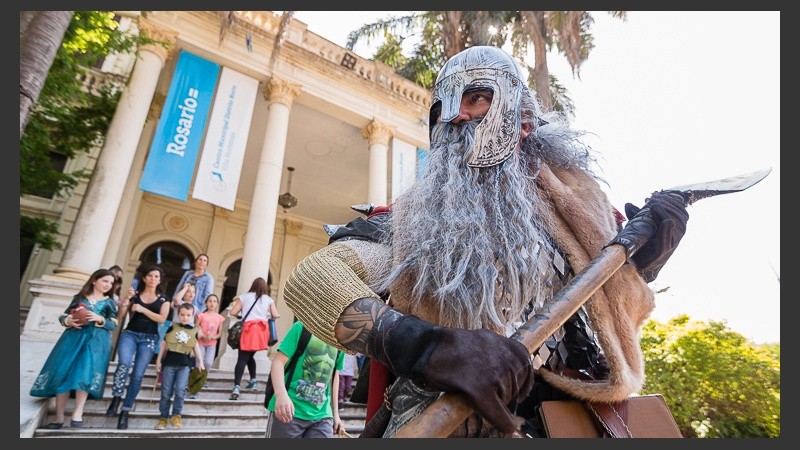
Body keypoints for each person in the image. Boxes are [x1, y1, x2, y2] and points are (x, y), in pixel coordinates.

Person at [282, 45, 690, 438]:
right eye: (443, 107)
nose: (456, 116)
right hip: (458, 421)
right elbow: (314, 282)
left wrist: (645, 265)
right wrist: (430, 349)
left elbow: (602, 310)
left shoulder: (579, 213)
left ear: (523, 122)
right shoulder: (409, 223)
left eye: (476, 97)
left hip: (575, 412)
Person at [30, 268, 119, 429]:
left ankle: (77, 414)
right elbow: (63, 316)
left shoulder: (109, 302)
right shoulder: (79, 298)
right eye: (105, 281)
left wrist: (100, 319)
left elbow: (113, 323)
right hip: (72, 339)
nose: (108, 285)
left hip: (95, 343)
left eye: (111, 282)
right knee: (64, 374)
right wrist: (68, 321)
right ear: (94, 280)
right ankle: (58, 418)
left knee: (84, 376)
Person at [106, 265, 171, 430]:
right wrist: (127, 300)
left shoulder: (164, 299)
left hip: (149, 338)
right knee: (123, 364)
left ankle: (125, 411)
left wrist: (142, 309)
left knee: (138, 374)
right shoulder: (135, 295)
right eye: (150, 275)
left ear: (160, 280)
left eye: (156, 276)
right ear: (144, 278)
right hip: (130, 334)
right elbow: (120, 316)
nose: (153, 279)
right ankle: (116, 397)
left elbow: (162, 319)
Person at [265, 321, 344, 438]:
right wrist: (281, 396)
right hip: (289, 411)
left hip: (323, 415)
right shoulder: (301, 327)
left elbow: (334, 376)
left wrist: (335, 413)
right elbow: (278, 362)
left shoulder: (341, 339)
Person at [154, 302, 205, 430]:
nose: (185, 317)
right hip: (169, 362)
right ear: (178, 315)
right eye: (182, 315)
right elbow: (163, 344)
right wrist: (159, 360)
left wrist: (201, 361)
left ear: (193, 316)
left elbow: (195, 346)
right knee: (166, 392)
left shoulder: (194, 331)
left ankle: (176, 415)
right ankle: (163, 417)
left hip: (185, 364)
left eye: (188, 315)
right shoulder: (172, 327)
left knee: (180, 390)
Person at [227, 277, 280, 400]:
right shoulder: (268, 299)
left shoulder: (244, 297)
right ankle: (253, 380)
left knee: (242, 357)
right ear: (265, 287)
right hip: (261, 332)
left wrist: (243, 315)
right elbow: (276, 314)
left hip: (248, 330)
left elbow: (232, 312)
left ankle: (236, 386)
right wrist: (265, 315)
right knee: (250, 356)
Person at [192, 294, 225, 397]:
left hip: (212, 344)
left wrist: (213, 337)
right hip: (200, 342)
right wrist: (202, 335)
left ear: (217, 304)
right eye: (210, 301)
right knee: (199, 362)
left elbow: (220, 333)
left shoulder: (220, 318)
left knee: (208, 362)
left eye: (214, 301)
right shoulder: (201, 315)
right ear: (206, 303)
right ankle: (195, 383)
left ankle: (203, 378)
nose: (212, 303)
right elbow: (196, 327)